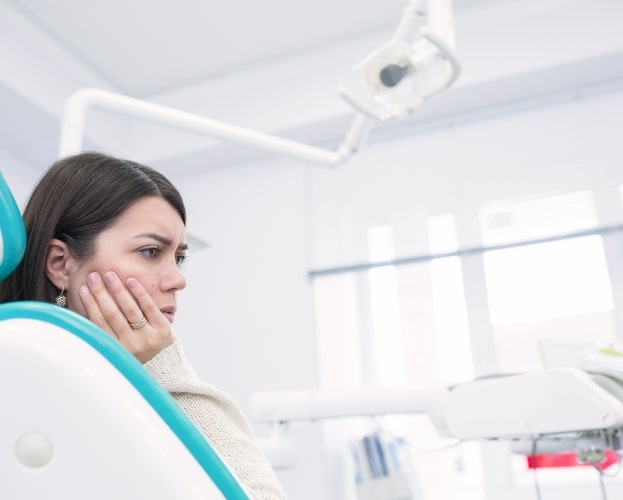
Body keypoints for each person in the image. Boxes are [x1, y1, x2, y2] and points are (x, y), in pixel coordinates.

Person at [0, 151, 286, 500]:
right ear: (60, 264)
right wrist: (163, 365)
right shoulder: (19, 375)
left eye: (179, 258)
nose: (178, 279)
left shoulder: (117, 386)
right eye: (151, 252)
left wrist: (161, 367)